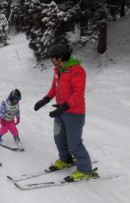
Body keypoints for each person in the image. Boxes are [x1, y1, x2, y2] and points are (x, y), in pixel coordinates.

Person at [33, 44, 98, 182]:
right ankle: (66, 160)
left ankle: (85, 170)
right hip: (61, 111)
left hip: (74, 113)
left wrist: (65, 106)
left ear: (60, 57)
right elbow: (54, 89)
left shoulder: (77, 70)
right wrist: (44, 100)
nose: (51, 60)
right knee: (59, 138)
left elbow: (78, 93)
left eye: (52, 57)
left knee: (74, 144)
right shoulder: (58, 70)